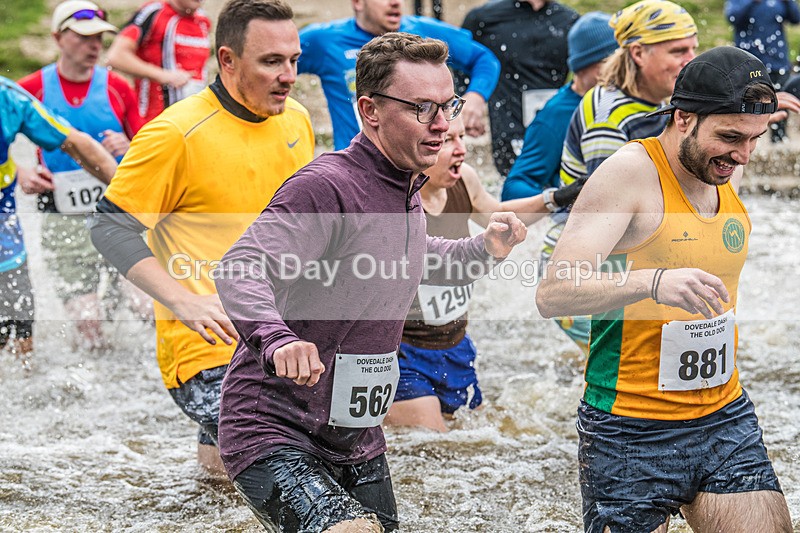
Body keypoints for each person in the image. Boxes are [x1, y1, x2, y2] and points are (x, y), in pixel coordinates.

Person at [214, 32, 526, 532]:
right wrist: (277, 340)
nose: (443, 124)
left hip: (354, 434)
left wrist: (483, 249)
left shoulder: (404, 186)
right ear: (370, 110)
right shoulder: (327, 185)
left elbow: (417, 260)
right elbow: (240, 267)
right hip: (273, 428)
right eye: (422, 108)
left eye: (448, 105)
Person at [536, 45, 792, 533]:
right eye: (731, 137)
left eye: (755, 139)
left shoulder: (721, 166)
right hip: (630, 429)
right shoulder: (629, 173)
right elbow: (553, 292)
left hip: (723, 416)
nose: (743, 156)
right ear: (683, 119)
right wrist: (652, 282)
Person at [89, 0, 314, 474]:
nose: (289, 75)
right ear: (227, 60)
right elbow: (109, 225)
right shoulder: (175, 133)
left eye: (294, 60)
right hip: (206, 348)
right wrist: (184, 302)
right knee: (295, 457)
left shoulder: (295, 119)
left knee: (227, 491)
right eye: (272, 61)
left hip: (280, 338)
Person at [384, 114, 581, 431]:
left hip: (455, 345)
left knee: (480, 436)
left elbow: (503, 219)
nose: (461, 149)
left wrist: (554, 198)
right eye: (448, 141)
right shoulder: (393, 200)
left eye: (462, 138)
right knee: (435, 445)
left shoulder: (465, 180)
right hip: (402, 353)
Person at [540, 0, 699, 353]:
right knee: (626, 368)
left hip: (622, 265)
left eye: (693, 47)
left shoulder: (656, 100)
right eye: (677, 50)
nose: (690, 59)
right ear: (639, 53)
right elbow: (611, 224)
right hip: (588, 271)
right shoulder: (610, 120)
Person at [17, 0, 145, 350]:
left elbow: (149, 154)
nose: (95, 46)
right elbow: (4, 141)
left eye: (100, 38)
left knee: (144, 306)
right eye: (84, 37)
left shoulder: (119, 87)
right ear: (58, 38)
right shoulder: (30, 88)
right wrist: (22, 170)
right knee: (89, 325)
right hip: (62, 218)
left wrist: (130, 144)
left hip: (117, 213)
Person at [1, 76, 117, 361]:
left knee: (19, 341)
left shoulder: (7, 98)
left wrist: (130, 197)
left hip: (6, 247)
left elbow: (76, 143)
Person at [297, 0, 500, 151]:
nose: (395, 3)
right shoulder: (324, 40)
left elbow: (485, 59)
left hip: (415, 158)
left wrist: (476, 97)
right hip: (355, 161)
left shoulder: (422, 32)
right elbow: (276, 60)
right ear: (358, 2)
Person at [501, 12, 618, 201]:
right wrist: (563, 198)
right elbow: (513, 189)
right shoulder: (556, 115)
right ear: (589, 65)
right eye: (615, 61)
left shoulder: (621, 100)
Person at [462, 0, 578, 178]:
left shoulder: (570, 21)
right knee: (514, 189)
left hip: (552, 129)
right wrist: (466, 101)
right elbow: (460, 64)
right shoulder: (483, 19)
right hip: (508, 132)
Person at [106, 0, 211, 123]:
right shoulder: (153, 12)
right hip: (152, 119)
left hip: (190, 121)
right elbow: (116, 56)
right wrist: (164, 76)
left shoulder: (203, 20)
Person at [726, 0, 800, 140]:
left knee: (781, 105)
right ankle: (746, 141)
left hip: (778, 63)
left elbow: (796, 18)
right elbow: (732, 17)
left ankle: (778, 142)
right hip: (749, 65)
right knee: (748, 106)